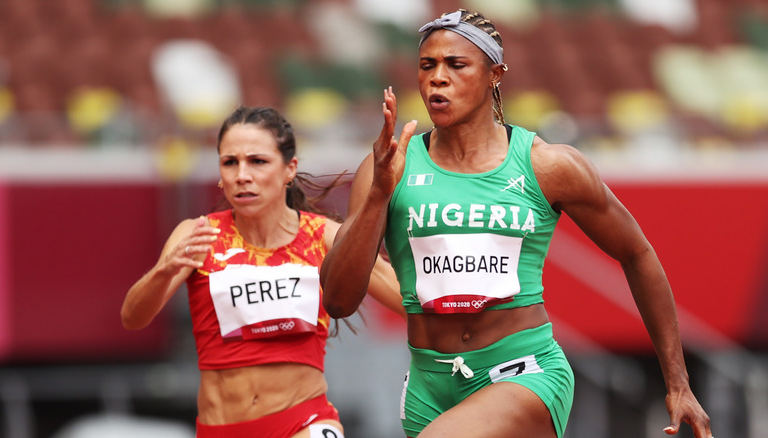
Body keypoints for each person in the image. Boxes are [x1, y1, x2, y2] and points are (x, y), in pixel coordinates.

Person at [320, 8, 713, 438]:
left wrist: (678, 382)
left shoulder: (547, 165)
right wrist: (378, 194)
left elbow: (637, 253)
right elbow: (339, 301)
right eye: (427, 65)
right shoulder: (386, 169)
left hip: (523, 374)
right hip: (429, 387)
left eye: (456, 64)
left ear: (495, 74)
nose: (437, 77)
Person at [121, 106, 404, 438]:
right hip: (221, 429)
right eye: (230, 162)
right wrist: (163, 272)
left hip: (305, 421)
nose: (242, 175)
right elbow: (132, 319)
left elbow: (410, 302)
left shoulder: (323, 237)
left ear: (289, 169)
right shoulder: (198, 235)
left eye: (257, 161)